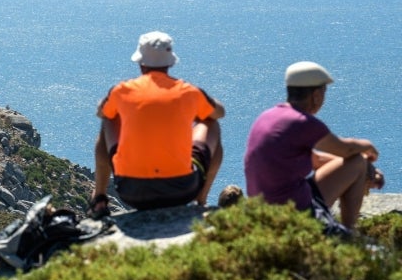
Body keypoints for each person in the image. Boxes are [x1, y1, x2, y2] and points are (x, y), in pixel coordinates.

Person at [88, 31, 226, 218]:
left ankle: (99, 198)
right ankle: (200, 202)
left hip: (131, 191)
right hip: (183, 190)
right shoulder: (188, 91)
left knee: (109, 119)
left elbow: (101, 112)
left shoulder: (122, 90)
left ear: (140, 62)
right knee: (210, 122)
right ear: (170, 62)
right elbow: (219, 112)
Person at [244, 61, 384, 229]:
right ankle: (349, 233)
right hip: (293, 213)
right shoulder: (302, 122)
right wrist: (367, 146)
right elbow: (346, 149)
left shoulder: (268, 117)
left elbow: (316, 160)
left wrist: (367, 169)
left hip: (262, 211)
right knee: (357, 160)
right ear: (316, 95)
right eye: (324, 92)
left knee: (358, 163)